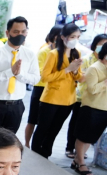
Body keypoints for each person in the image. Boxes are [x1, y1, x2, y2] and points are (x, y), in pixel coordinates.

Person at [31, 22, 84, 158]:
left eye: (78, 37)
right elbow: (45, 77)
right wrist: (67, 70)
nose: (75, 40)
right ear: (63, 37)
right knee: (43, 128)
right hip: (52, 98)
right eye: (72, 37)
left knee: (55, 129)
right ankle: (35, 153)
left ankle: (45, 154)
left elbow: (78, 77)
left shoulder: (76, 53)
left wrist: (76, 70)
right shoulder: (53, 54)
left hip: (68, 99)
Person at [0, 16, 40, 134]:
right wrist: (9, 72)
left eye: (23, 32)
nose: (20, 35)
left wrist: (19, 74)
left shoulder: (30, 54)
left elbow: (35, 79)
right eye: (16, 32)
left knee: (9, 140)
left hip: (16, 106)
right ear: (8, 33)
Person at [66, 33, 105, 158]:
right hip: (82, 97)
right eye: (101, 44)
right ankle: (70, 148)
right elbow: (81, 79)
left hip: (99, 101)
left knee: (88, 130)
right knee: (77, 126)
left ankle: (80, 154)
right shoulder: (88, 60)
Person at [24, 26, 63, 148]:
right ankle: (27, 144)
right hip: (41, 88)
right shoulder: (44, 51)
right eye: (60, 35)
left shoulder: (63, 52)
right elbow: (41, 73)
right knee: (32, 120)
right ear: (54, 36)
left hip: (53, 90)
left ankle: (41, 145)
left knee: (46, 122)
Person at [72, 42, 107, 175]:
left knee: (91, 137)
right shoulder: (95, 68)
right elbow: (92, 90)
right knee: (83, 137)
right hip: (91, 107)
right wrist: (105, 82)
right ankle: (81, 163)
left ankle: (77, 160)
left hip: (104, 108)